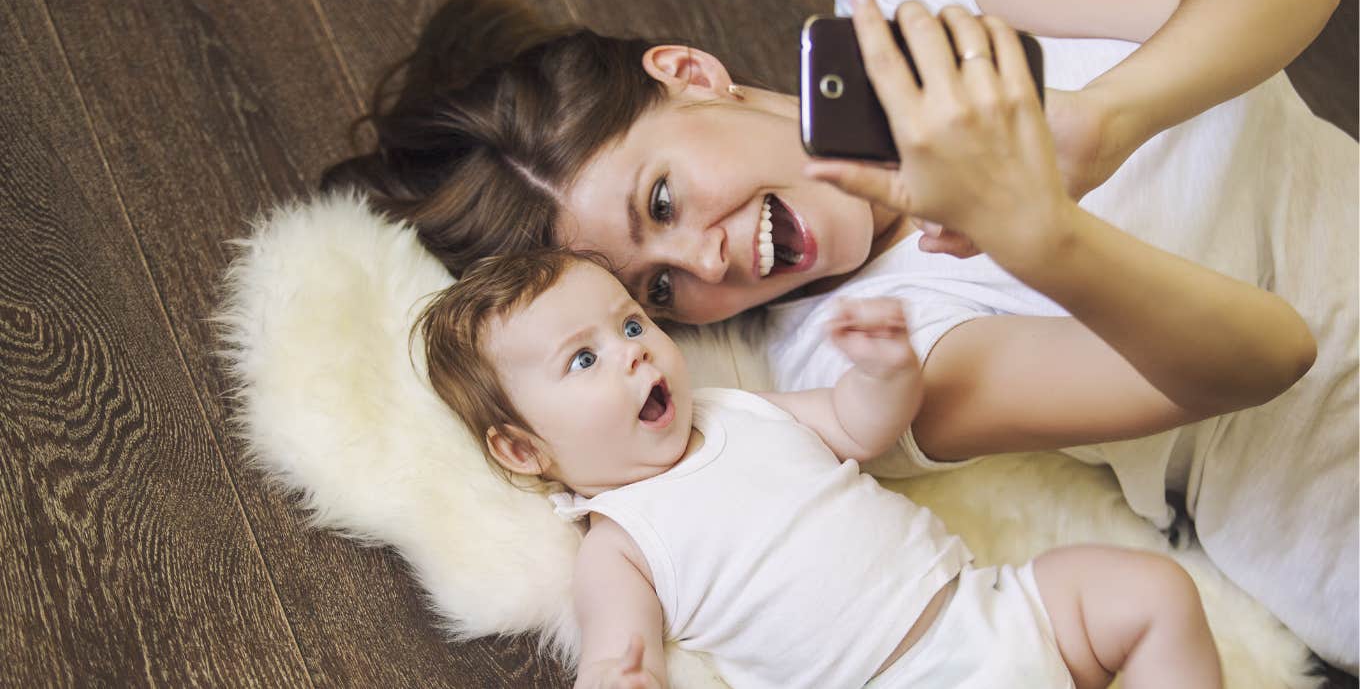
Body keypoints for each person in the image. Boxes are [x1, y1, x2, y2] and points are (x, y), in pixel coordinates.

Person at [322, 0, 1358, 672]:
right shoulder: (857, 356)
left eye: (665, 197)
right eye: (659, 287)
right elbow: (1264, 358)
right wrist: (1037, 234)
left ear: (688, 72)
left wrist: (1100, 124)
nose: (708, 262)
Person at [415, 248, 1223, 689]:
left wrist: (885, 373)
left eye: (630, 323)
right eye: (584, 357)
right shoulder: (620, 542)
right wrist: (619, 673)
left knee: (1152, 591)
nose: (632, 352)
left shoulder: (740, 409)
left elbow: (856, 425)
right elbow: (616, 647)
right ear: (526, 449)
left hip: (995, 611)